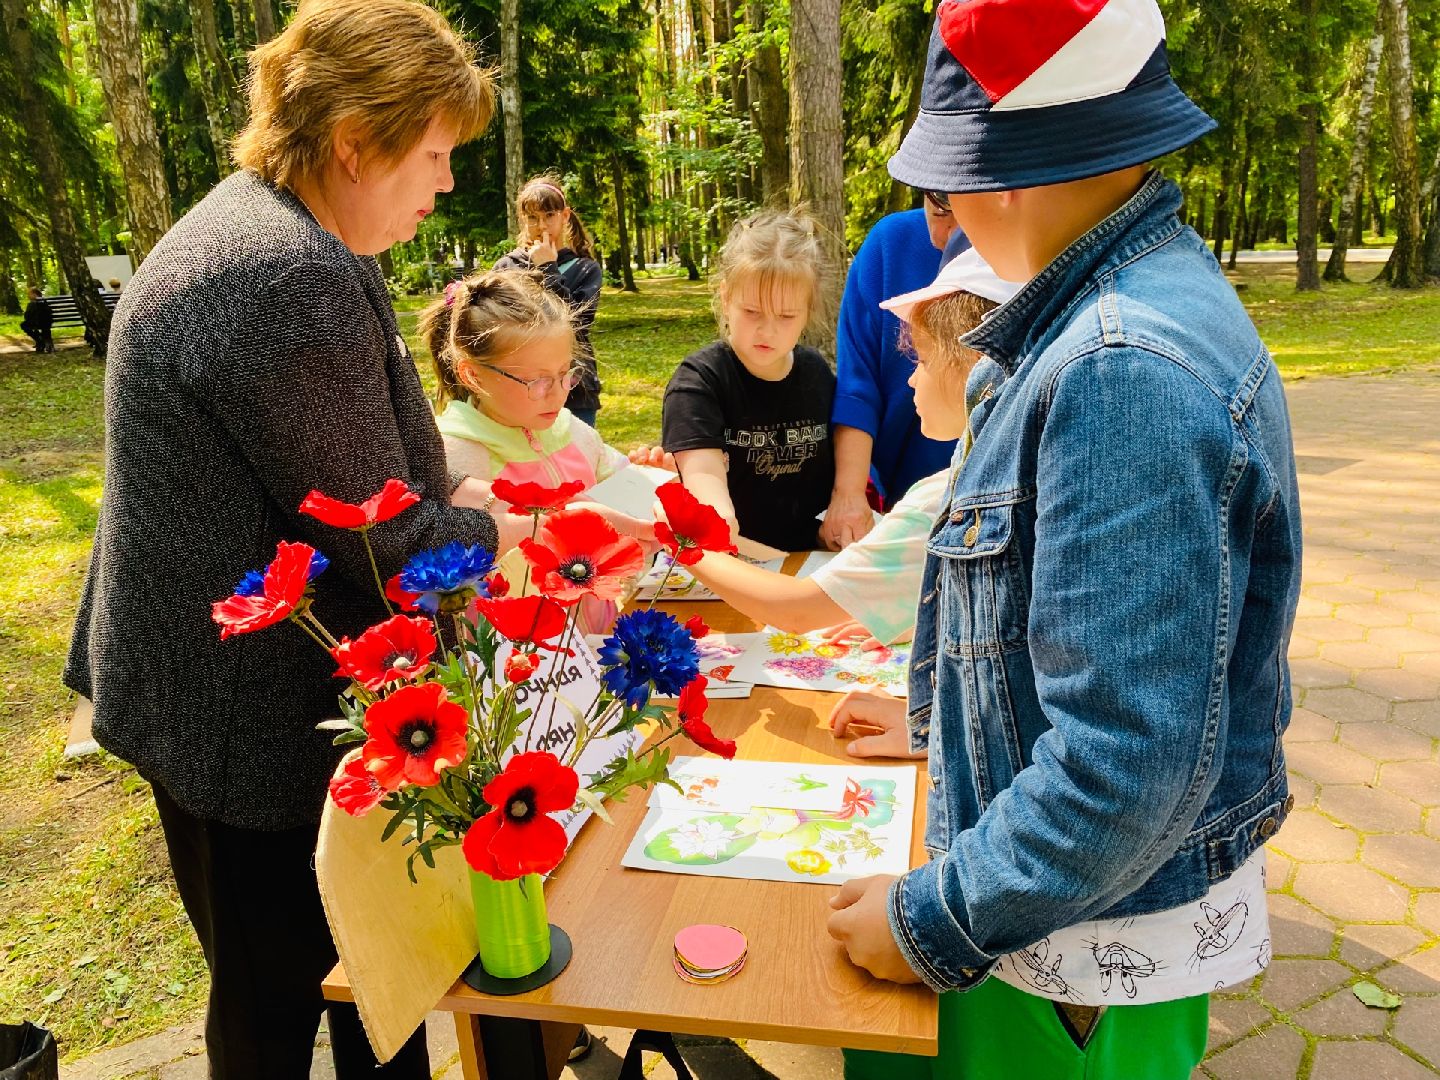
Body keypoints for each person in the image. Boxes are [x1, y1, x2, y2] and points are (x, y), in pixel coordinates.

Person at [59, 4, 632, 1076]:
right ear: (356, 142)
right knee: (283, 1001)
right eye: (435, 154)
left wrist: (466, 495)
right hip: (239, 716)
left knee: (372, 982)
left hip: (231, 684)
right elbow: (381, 539)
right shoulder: (284, 273)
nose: (446, 184)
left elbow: (377, 460)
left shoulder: (287, 235)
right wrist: (505, 525)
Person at [824, 3, 1303, 1079]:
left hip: (1066, 950)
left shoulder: (1118, 369)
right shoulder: (1105, 316)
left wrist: (928, 921)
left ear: (1005, 176)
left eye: (944, 189)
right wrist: (937, 721)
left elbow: (1121, 766)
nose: (940, 223)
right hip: (1057, 909)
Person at [681, 249, 1018, 660]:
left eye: (923, 360)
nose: (911, 379)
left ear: (976, 369)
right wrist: (918, 618)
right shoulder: (1006, 471)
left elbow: (796, 610)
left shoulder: (944, 502)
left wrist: (684, 542)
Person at [422, 268, 632, 634]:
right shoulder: (455, 455)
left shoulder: (573, 431)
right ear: (473, 375)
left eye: (566, 373)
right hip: (517, 650)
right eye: (538, 381)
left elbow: (615, 482)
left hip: (597, 634)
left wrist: (643, 474)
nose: (559, 393)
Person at [659, 207, 837, 553]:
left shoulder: (816, 372)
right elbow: (703, 474)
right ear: (726, 297)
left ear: (808, 310)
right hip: (731, 554)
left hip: (811, 556)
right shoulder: (698, 382)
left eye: (786, 316)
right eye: (752, 311)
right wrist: (718, 516)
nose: (767, 331)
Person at [820, 193, 963, 549]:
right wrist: (850, 494)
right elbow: (858, 387)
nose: (940, 236)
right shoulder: (889, 244)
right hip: (893, 506)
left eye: (956, 213)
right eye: (936, 207)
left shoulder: (1031, 258)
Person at [492, 175, 605, 427]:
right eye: (533, 217)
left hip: (574, 392)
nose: (541, 226)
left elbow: (576, 326)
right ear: (523, 219)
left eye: (549, 215)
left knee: (576, 453)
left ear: (565, 216)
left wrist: (548, 269)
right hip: (520, 389)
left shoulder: (586, 269)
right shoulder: (506, 267)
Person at [21, 287, 54, 353]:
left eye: (30, 294)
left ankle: (39, 340)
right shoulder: (45, 302)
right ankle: (40, 340)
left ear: (35, 294)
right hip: (46, 322)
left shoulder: (33, 303)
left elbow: (27, 316)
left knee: (24, 325)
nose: (28, 296)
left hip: (38, 322)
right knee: (42, 329)